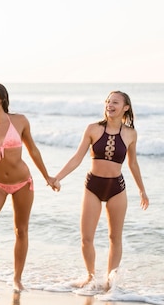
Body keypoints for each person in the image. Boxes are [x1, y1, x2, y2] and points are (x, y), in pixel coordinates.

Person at [0, 82, 57, 294]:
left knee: (21, 230)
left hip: (23, 183)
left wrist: (47, 177)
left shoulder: (19, 121)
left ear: (1, 97)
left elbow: (33, 150)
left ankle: (17, 279)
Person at [52, 90, 149, 292]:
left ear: (126, 108)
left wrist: (142, 190)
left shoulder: (131, 134)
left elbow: (133, 164)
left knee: (115, 238)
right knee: (86, 237)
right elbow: (77, 158)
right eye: (107, 101)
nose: (109, 105)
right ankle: (90, 277)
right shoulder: (93, 129)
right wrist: (58, 177)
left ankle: (110, 283)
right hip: (93, 186)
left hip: (117, 188)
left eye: (115, 102)